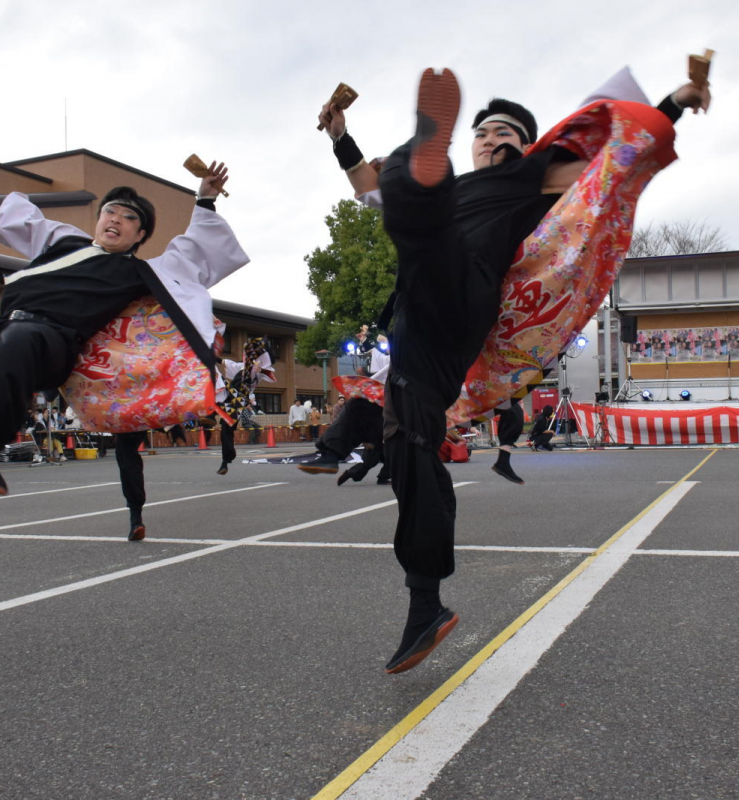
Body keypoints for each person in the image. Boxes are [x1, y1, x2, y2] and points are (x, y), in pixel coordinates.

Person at [318, 65, 707, 673]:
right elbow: (363, 183)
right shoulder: (459, 184)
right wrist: (339, 134)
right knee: (410, 448)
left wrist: (676, 101)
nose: (494, 139)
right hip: (418, 326)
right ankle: (426, 606)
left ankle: (421, 163)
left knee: (419, 211)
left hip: (466, 288)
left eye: (507, 133)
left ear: (528, 147)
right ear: (469, 143)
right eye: (484, 132)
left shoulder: (535, 174)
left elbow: (612, 152)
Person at [0, 160, 244, 557]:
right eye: (110, 211)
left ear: (139, 235)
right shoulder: (65, 241)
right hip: (1, 332)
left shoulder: (140, 273)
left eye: (129, 218)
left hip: (50, 341)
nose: (116, 220)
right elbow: (20, 225)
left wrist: (206, 198)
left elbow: (193, 254)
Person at [301, 332, 392, 486]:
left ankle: (335, 458)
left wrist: (389, 340)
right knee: (380, 445)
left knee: (384, 446)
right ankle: (333, 456)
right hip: (382, 402)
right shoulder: (391, 359)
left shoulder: (412, 354)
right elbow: (378, 356)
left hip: (395, 402)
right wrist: (365, 341)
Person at [215, 336, 275, 475]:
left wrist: (261, 370)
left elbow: (272, 376)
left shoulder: (259, 370)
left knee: (227, 427)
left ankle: (225, 461)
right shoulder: (239, 366)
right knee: (225, 426)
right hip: (229, 396)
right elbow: (222, 361)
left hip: (240, 400)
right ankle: (225, 460)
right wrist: (209, 356)